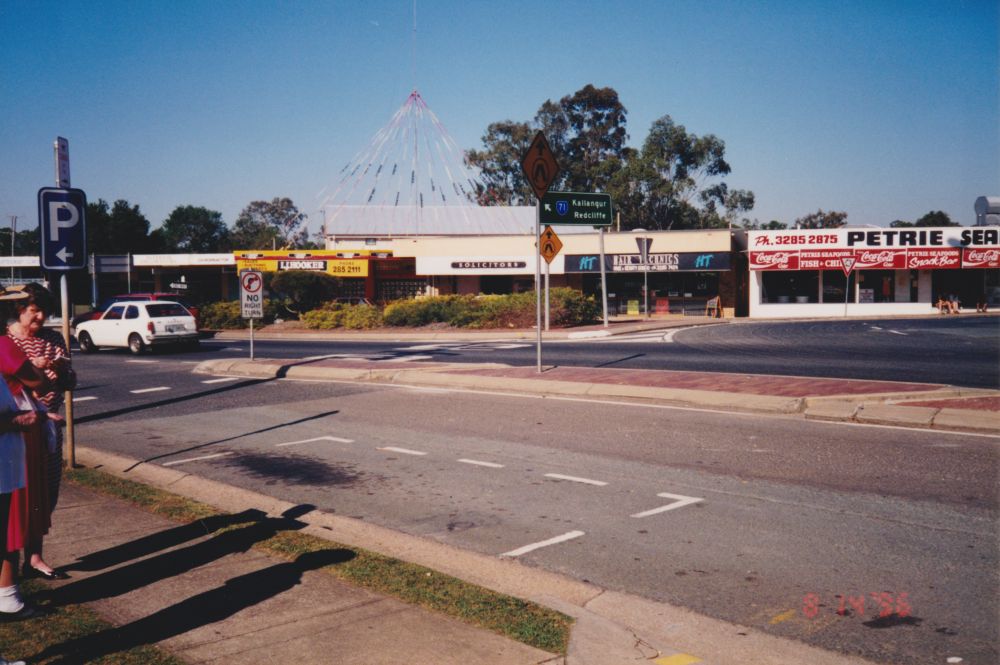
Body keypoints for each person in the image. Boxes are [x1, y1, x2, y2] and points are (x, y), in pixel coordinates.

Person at [6, 283, 73, 581]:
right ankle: (10, 561)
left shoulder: (54, 338)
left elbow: (70, 382)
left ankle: (34, 557)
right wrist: (32, 369)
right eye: (34, 310)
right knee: (17, 495)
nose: (41, 317)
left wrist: (63, 371)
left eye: (45, 311)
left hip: (49, 428)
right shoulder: (7, 339)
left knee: (45, 493)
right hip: (17, 428)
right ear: (20, 309)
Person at [0, 285, 53, 639]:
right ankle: (8, 596)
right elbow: (37, 380)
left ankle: (8, 595)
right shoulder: (4, 345)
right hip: (4, 453)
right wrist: (21, 419)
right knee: (7, 525)